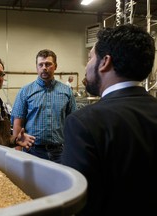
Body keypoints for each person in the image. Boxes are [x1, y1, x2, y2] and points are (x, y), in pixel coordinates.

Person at [61, 24, 157, 215]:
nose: (86, 66)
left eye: (90, 58)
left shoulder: (84, 123)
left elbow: (79, 205)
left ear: (105, 62)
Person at [11, 49, 77, 163]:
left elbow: (72, 122)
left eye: (48, 64)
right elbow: (18, 122)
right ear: (36, 67)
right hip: (32, 150)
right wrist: (17, 150)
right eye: (40, 64)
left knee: (59, 181)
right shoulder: (25, 91)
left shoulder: (67, 92)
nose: (44, 68)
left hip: (60, 152)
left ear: (55, 66)